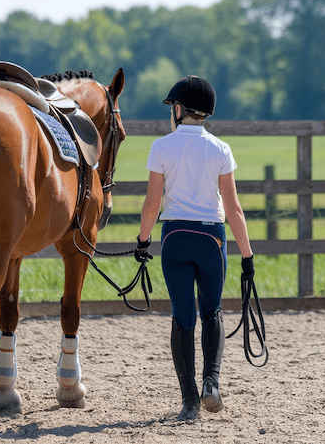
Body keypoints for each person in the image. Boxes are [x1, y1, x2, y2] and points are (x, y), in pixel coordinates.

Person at [135, 75, 254, 421]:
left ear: (177, 109)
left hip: (174, 238)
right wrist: (247, 256)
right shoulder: (220, 149)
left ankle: (189, 400)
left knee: (182, 316)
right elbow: (233, 209)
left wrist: (143, 241)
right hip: (212, 239)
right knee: (212, 311)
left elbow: (151, 204)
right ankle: (211, 384)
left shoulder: (161, 147)